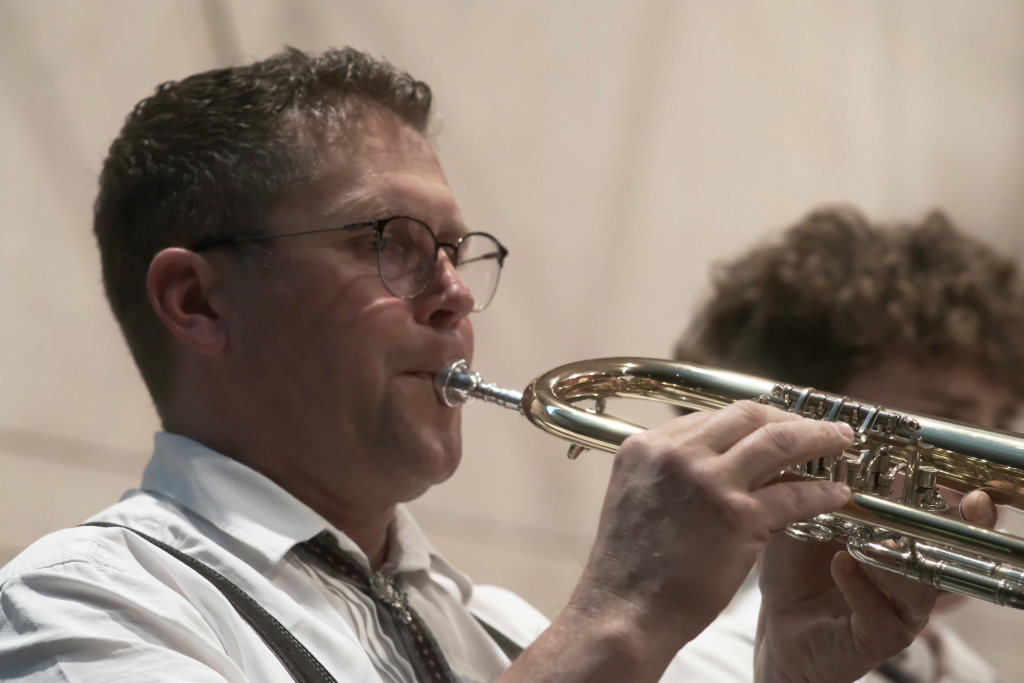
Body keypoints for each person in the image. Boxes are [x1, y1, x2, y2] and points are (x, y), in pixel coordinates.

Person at [0, 49, 936, 683]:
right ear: (197, 302)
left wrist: (786, 674)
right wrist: (619, 616)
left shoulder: (499, 629)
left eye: (453, 250)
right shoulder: (86, 603)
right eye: (389, 242)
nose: (455, 294)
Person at [671, 205, 1024, 683]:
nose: (989, 479)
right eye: (945, 423)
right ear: (796, 437)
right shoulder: (691, 668)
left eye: (999, 427)